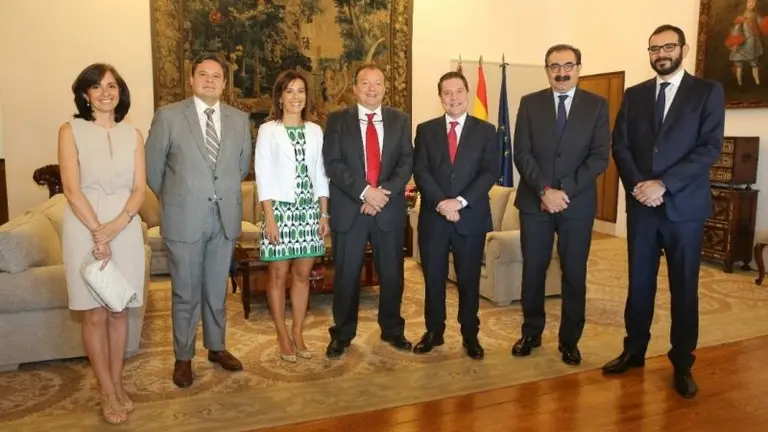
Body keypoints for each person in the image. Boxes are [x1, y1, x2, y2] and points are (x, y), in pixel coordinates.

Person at [603, 24, 725, 399]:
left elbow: (709, 148)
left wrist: (664, 184)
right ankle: (634, 350)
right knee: (639, 284)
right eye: (654, 48)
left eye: (668, 46)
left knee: (683, 288)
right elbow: (620, 145)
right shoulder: (635, 94)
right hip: (643, 207)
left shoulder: (707, 92)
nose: (661, 54)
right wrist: (640, 186)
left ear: (683, 50)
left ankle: (682, 363)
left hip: (684, 209)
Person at [145, 53, 253, 388]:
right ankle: (183, 356)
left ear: (224, 83)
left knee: (216, 290)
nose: (209, 80)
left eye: (216, 76)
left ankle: (216, 347)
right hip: (184, 219)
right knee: (185, 292)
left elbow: (240, 167)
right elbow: (153, 170)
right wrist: (180, 199)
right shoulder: (168, 116)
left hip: (224, 219)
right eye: (203, 74)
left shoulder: (239, 119)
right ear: (191, 80)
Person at [511, 44, 610, 365]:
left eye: (568, 65)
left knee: (574, 273)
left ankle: (570, 340)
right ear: (546, 70)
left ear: (579, 68)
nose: (562, 72)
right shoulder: (529, 103)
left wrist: (563, 190)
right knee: (533, 270)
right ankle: (531, 332)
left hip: (576, 204)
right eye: (554, 66)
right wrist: (544, 190)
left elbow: (599, 156)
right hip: (534, 202)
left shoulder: (597, 106)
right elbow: (522, 153)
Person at [59, 63, 146, 424]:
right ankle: (106, 390)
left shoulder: (133, 134)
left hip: (124, 227)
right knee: (94, 313)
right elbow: (71, 188)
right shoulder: (70, 131)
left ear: (120, 92)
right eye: (96, 86)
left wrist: (116, 226)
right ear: (85, 94)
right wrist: (99, 231)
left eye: (111, 85)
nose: (105, 92)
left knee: (118, 310)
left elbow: (139, 189)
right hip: (84, 225)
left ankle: (118, 382)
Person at [322, 63, 414, 359]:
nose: (372, 89)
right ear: (355, 88)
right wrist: (365, 192)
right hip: (351, 209)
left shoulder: (400, 120)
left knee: (393, 276)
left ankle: (392, 330)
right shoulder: (337, 120)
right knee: (347, 276)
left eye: (377, 83)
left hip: (387, 209)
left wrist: (381, 194)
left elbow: (406, 162)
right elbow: (333, 163)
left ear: (385, 88)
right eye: (365, 83)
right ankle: (342, 334)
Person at [411, 71, 498, 359]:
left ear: (467, 93)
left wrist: (459, 202)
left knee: (469, 281)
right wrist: (441, 203)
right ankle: (434, 332)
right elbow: (420, 170)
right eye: (447, 92)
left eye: (459, 91)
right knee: (433, 279)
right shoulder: (426, 130)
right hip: (434, 219)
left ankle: (470, 335)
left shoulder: (486, 130)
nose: (454, 97)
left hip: (470, 218)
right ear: (440, 97)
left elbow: (490, 172)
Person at [253, 69, 330, 362]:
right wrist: (269, 218)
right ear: (280, 97)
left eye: (300, 91)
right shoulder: (268, 130)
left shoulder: (315, 131)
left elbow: (321, 173)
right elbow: (262, 174)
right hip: (280, 212)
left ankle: (298, 332)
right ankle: (282, 335)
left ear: (306, 96)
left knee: (302, 275)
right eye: (289, 91)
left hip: (309, 212)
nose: (295, 96)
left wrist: (324, 213)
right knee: (278, 275)